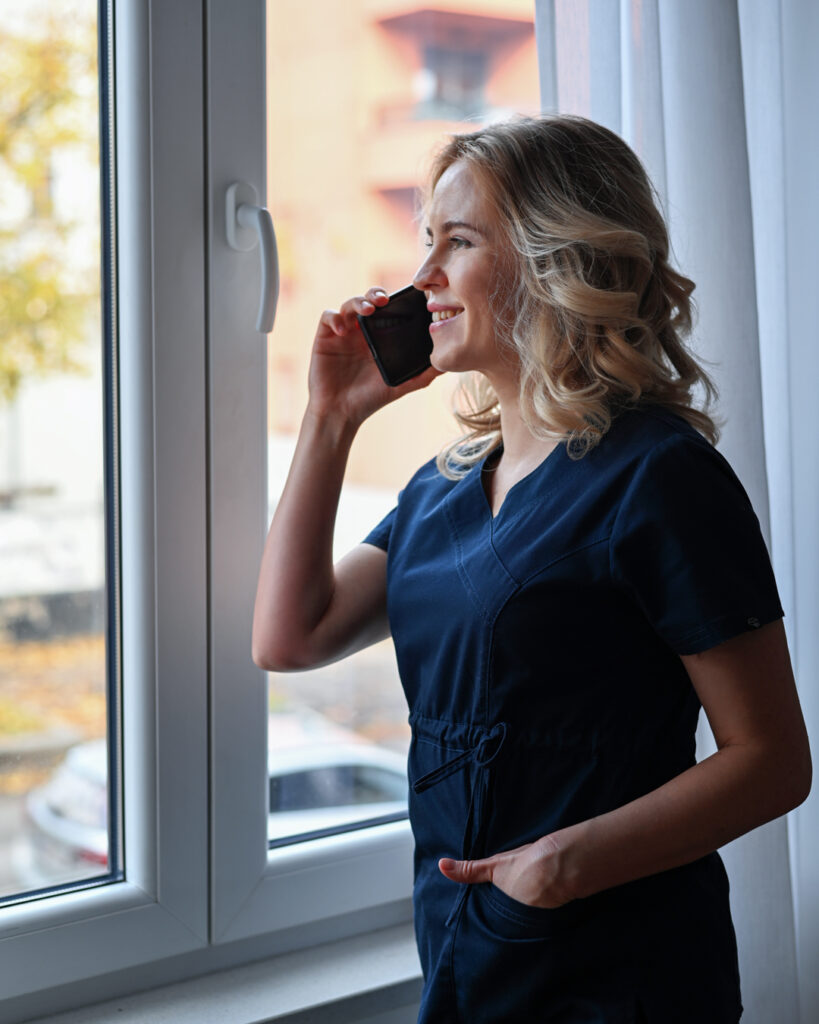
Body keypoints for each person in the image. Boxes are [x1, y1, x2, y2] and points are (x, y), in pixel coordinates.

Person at [252, 115, 811, 1023]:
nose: (422, 278)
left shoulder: (658, 477)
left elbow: (772, 762)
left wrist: (559, 867)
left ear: (558, 259)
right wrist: (331, 418)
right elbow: (289, 635)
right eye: (423, 242)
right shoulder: (441, 490)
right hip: (465, 950)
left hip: (621, 970)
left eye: (459, 243)